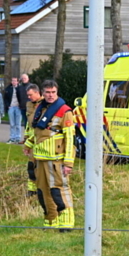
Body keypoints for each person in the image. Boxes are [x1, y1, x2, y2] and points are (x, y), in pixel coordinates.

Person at [24, 79, 75, 228]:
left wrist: (68, 163)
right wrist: (28, 144)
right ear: (43, 93)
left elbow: (70, 138)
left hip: (56, 159)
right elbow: (38, 131)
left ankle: (66, 223)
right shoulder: (41, 108)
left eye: (53, 92)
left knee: (58, 191)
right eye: (47, 92)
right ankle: (51, 221)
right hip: (40, 158)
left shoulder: (65, 111)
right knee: (42, 193)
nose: (51, 95)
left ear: (57, 92)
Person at [24, 83, 42, 200]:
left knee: (40, 167)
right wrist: (26, 137)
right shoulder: (29, 104)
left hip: (40, 139)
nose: (29, 97)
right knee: (31, 167)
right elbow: (28, 122)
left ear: (37, 92)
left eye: (30, 95)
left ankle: (40, 189)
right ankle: (31, 190)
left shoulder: (45, 104)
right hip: (31, 141)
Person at [4, 77, 25, 144]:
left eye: (15, 81)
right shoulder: (8, 89)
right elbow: (5, 98)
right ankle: (12, 138)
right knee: (12, 124)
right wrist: (8, 106)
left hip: (18, 107)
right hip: (11, 107)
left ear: (17, 82)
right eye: (12, 80)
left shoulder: (21, 89)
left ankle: (18, 138)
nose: (13, 82)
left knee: (18, 124)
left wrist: (21, 105)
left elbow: (23, 98)